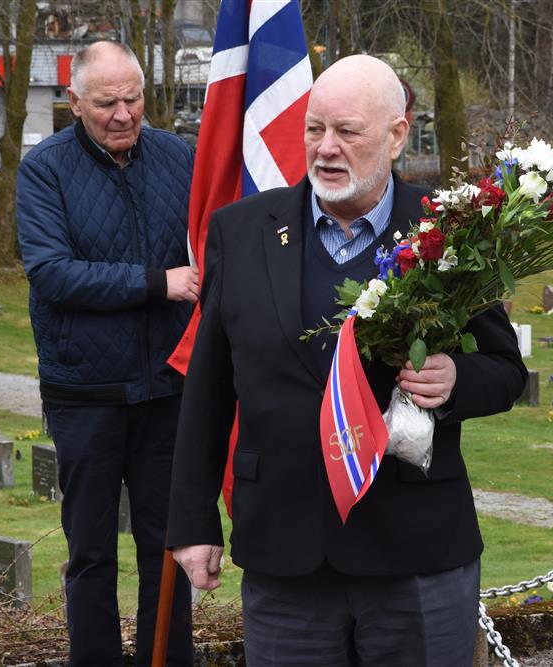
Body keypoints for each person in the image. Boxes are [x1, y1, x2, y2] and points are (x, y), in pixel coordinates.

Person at [167, 54, 527, 666]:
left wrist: (456, 378)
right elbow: (207, 390)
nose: (326, 149)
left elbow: (506, 370)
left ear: (397, 135)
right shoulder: (241, 231)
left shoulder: (449, 231)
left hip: (413, 552)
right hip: (285, 556)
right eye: (314, 129)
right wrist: (192, 521)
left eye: (348, 132)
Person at [16, 41, 197, 667]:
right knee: (91, 552)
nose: (123, 114)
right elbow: (53, 273)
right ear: (74, 103)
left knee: (167, 547)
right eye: (106, 103)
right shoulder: (46, 170)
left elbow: (215, 241)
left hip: (167, 388)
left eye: (133, 99)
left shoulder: (180, 157)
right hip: (85, 393)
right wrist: (157, 282)